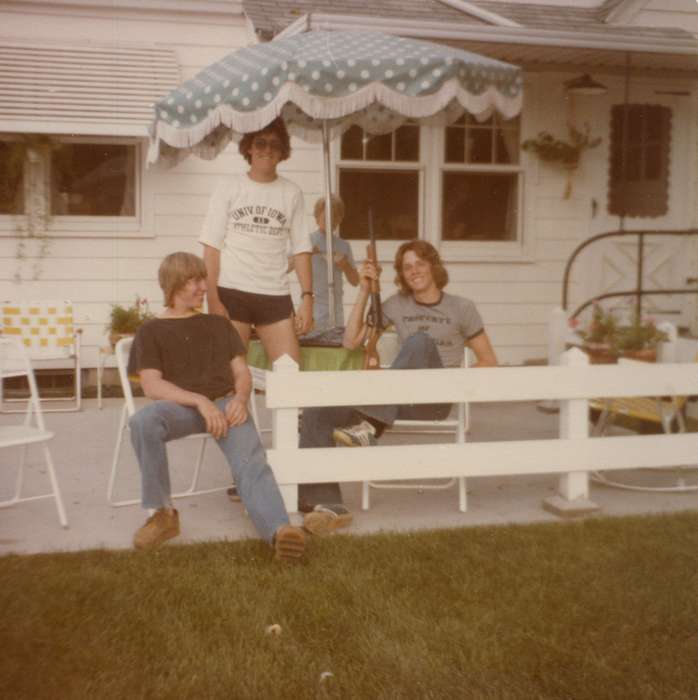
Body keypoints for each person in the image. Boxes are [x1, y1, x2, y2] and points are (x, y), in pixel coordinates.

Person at [298, 240, 497, 535]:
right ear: (401, 275)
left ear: (433, 266)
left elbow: (489, 362)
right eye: (406, 267)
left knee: (419, 341)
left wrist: (456, 383)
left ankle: (371, 426)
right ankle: (327, 504)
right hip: (396, 400)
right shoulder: (395, 305)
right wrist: (365, 288)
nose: (413, 271)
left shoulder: (462, 307)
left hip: (435, 398)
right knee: (318, 410)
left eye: (419, 263)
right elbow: (351, 342)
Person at [127, 252, 305, 561]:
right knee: (143, 422)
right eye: (193, 281)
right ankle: (163, 515)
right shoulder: (151, 331)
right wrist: (199, 400)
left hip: (225, 404)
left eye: (203, 279)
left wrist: (239, 399)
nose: (203, 287)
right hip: (181, 408)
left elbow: (241, 373)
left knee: (251, 461)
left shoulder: (217, 324)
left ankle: (279, 532)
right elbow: (152, 385)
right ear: (172, 285)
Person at [199, 117, 313, 364]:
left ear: (283, 151)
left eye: (275, 144)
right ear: (248, 147)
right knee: (230, 376)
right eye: (260, 143)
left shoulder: (291, 192)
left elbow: (302, 249)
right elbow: (211, 248)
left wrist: (307, 299)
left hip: (274, 293)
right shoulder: (228, 186)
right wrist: (213, 299)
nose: (267, 150)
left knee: (290, 373)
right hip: (231, 292)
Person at [305, 195, 359, 331]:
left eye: (336, 217)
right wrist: (305, 253)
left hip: (336, 308)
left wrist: (346, 265)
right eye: (326, 217)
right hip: (313, 307)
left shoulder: (343, 245)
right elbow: (287, 267)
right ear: (317, 218)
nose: (331, 221)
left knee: (335, 344)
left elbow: (355, 281)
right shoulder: (306, 241)